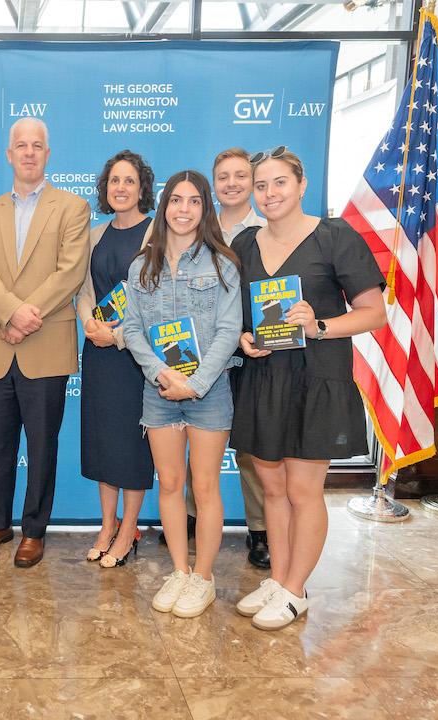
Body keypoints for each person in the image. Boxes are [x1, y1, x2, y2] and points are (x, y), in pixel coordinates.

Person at [230, 147, 385, 630]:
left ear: (301, 185)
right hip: (263, 378)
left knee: (302, 489)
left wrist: (318, 325)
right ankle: (278, 579)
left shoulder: (335, 236)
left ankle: (296, 590)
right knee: (272, 488)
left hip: (316, 377)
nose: (269, 193)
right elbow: (237, 314)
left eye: (279, 182)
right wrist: (243, 338)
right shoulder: (245, 244)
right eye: (261, 185)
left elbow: (374, 313)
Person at [0, 117, 90, 568]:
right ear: (9, 154)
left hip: (45, 346)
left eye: (37, 145)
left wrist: (23, 316)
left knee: (42, 447)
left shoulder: (73, 207)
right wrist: (10, 313)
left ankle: (34, 530)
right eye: (21, 145)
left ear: (48, 154)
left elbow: (70, 272)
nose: (29, 152)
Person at [121, 170, 242, 619]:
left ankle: (203, 578)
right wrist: (160, 374)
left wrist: (195, 382)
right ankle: (179, 570)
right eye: (176, 200)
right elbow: (132, 328)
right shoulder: (141, 266)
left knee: (204, 488)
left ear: (204, 208)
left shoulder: (222, 264)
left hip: (209, 391)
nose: (184, 209)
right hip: (158, 391)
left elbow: (229, 330)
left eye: (194, 201)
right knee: (170, 485)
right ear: (164, 206)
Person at [172, 148, 271, 569]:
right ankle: (191, 518)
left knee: (251, 448)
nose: (232, 184)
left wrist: (251, 334)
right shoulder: (192, 229)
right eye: (223, 177)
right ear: (213, 184)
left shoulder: (266, 231)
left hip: (252, 354)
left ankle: (260, 529)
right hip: (196, 356)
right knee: (194, 438)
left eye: (240, 176)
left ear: (252, 182)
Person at [75, 150, 156, 568]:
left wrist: (119, 336)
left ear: (142, 188)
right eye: (114, 181)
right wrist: (89, 323)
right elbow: (84, 289)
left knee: (132, 447)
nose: (120, 188)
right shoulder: (95, 234)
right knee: (104, 442)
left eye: (129, 181)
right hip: (98, 354)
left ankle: (129, 531)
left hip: (136, 357)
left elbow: (159, 299)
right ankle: (107, 525)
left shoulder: (156, 233)